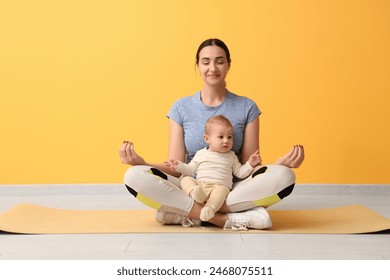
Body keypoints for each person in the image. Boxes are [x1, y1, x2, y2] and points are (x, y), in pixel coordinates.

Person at [119, 38, 304, 230]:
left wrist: (279, 164)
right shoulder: (181, 108)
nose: (212, 68)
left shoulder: (247, 107)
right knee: (133, 175)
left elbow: (249, 167)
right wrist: (140, 162)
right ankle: (221, 218)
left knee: (285, 175)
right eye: (206, 62)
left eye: (220, 61)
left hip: (229, 187)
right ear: (197, 65)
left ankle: (184, 213)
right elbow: (175, 167)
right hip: (190, 186)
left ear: (228, 65)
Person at [165, 115, 262, 222]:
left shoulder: (231, 156)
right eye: (221, 137)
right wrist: (178, 166)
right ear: (207, 139)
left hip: (218, 186)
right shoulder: (201, 153)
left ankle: (209, 208)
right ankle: (194, 193)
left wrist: (250, 164)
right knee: (185, 179)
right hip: (200, 185)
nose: (226, 141)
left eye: (229, 137)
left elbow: (240, 173)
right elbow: (190, 169)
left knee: (222, 192)